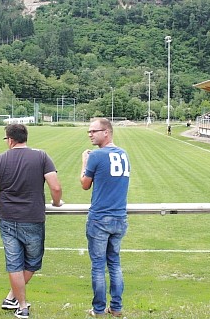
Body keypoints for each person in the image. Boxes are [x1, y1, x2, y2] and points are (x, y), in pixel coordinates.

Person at [0, 124, 63, 319]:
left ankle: (16, 300)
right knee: (33, 262)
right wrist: (56, 203)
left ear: (10, 140)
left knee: (14, 262)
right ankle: (21, 305)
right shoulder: (42, 156)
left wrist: (1, 205)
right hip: (33, 217)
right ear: (25, 137)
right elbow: (56, 187)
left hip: (8, 219)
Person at [81, 118, 131, 317]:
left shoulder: (97, 155)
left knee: (98, 266)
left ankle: (99, 309)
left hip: (100, 218)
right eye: (89, 131)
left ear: (106, 133)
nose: (90, 134)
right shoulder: (124, 154)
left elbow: (85, 184)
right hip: (120, 218)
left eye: (94, 131)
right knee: (115, 263)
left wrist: (84, 162)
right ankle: (117, 308)